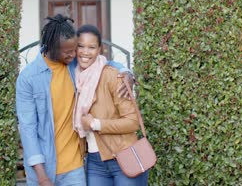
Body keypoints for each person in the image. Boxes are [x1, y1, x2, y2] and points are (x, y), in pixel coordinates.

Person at [16, 15, 133, 186]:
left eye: (74, 49)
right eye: (67, 51)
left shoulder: (73, 66)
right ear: (51, 48)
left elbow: (104, 63)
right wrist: (42, 177)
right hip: (43, 170)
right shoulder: (28, 78)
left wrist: (127, 72)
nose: (74, 54)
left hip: (75, 169)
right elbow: (28, 130)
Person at [73, 24, 149, 186]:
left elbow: (132, 122)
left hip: (123, 156)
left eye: (91, 47)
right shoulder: (76, 78)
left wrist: (95, 124)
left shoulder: (113, 76)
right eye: (81, 46)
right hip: (94, 162)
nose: (85, 52)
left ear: (99, 49)